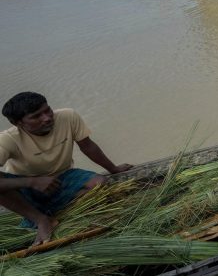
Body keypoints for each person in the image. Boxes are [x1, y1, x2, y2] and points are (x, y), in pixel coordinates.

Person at [0, 92, 132, 245]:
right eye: (36, 116)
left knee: (100, 184)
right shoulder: (7, 139)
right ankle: (41, 219)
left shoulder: (68, 117)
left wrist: (113, 169)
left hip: (62, 177)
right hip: (24, 187)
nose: (47, 118)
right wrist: (32, 182)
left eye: (47, 110)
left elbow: (88, 146)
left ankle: (53, 210)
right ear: (18, 123)